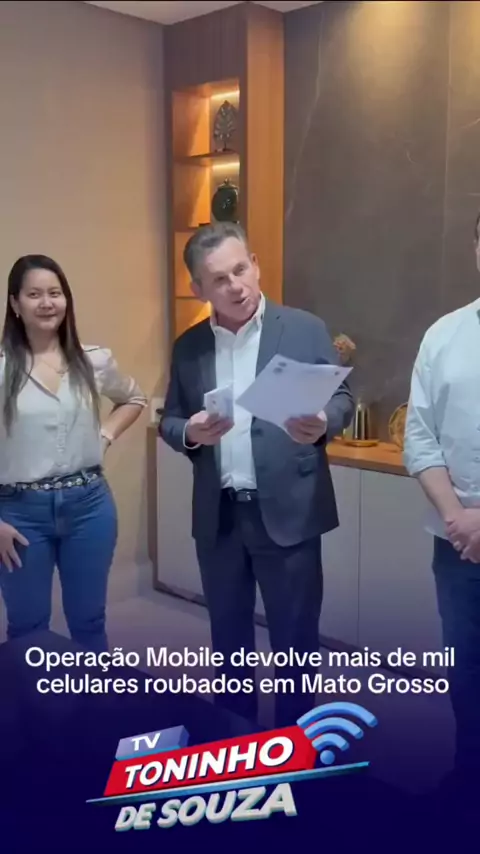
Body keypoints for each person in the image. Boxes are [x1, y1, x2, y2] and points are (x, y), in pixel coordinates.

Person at [159, 222, 354, 726]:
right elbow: (169, 419)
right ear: (198, 289)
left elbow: (342, 397)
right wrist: (190, 432)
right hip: (220, 517)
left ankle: (294, 744)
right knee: (228, 642)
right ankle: (235, 742)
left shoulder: (304, 328)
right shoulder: (188, 347)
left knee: (295, 642)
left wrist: (324, 421)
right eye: (219, 279)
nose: (236, 286)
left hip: (290, 511)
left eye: (240, 269)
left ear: (256, 264)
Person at [0, 254, 147, 652]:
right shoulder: (3, 367)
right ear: (15, 304)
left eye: (55, 293)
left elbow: (133, 398)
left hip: (89, 507)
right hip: (19, 514)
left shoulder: (93, 359)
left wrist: (104, 436)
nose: (47, 303)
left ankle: (90, 694)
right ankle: (34, 695)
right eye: (34, 294)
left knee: (89, 620)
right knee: (28, 628)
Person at [403, 211, 480, 795]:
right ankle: (468, 774)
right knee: (466, 666)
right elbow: (419, 437)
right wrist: (459, 519)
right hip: (457, 542)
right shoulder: (444, 335)